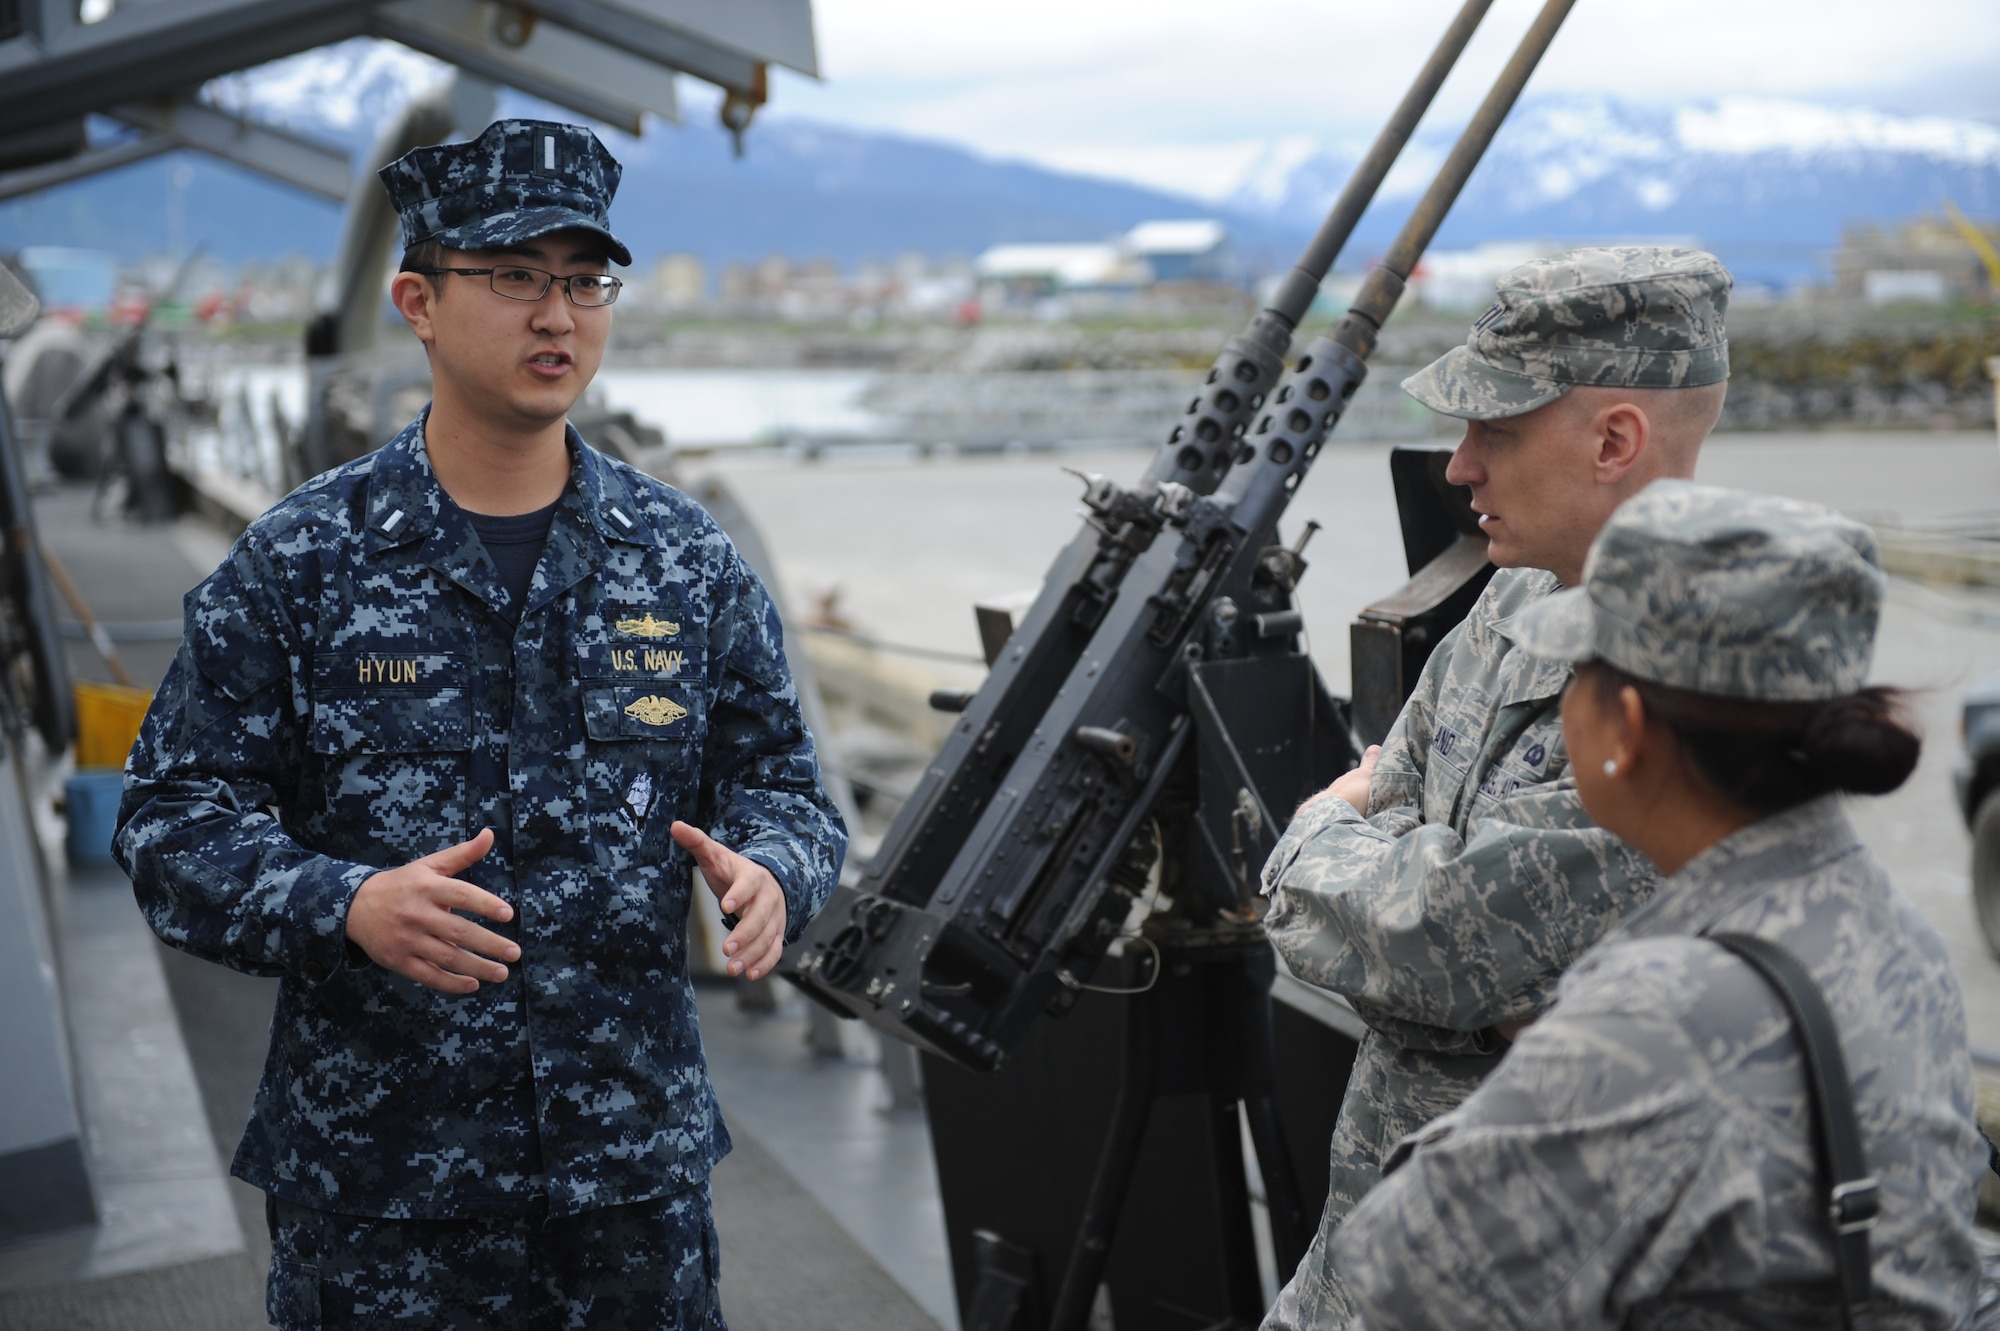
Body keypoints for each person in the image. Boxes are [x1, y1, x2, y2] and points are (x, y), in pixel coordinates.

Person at [114, 119, 845, 1329]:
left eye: (583, 280)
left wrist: (775, 867)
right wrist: (341, 901)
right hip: (383, 1199)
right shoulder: (303, 560)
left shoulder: (681, 559)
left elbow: (781, 783)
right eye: (514, 276)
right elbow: (169, 822)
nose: (557, 315)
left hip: (630, 1188)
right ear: (417, 299)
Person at [1329, 480, 1984, 1327]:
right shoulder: (1891, 927)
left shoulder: (1656, 1013)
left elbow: (1401, 1265)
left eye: (1576, 675)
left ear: (1626, 725)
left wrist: (1542, 1044)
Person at [1260, 245, 1734, 1328]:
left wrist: (1311, 834)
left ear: (1613, 438)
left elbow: (1428, 943)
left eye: (1496, 430)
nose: (1457, 467)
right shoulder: (1509, 605)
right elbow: (1435, 901)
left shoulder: (1696, 678)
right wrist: (1412, 896)